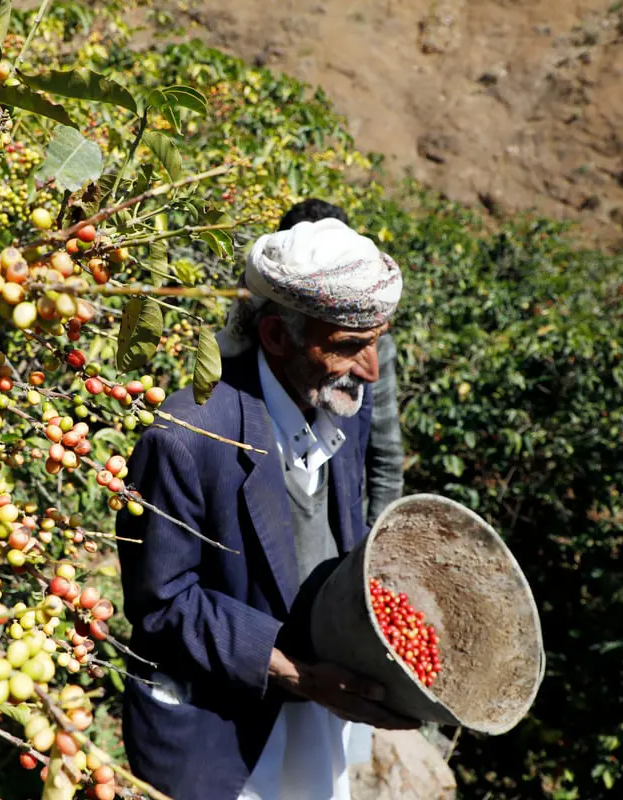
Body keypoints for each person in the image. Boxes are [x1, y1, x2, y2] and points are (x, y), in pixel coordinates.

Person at [116, 218, 418, 800]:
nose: (372, 370)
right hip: (221, 728)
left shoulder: (340, 404)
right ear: (278, 336)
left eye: (378, 340)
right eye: (351, 345)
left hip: (316, 703)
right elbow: (161, 605)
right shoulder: (187, 437)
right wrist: (295, 675)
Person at [278, 199, 404, 526]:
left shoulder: (377, 348)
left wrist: (372, 553)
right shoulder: (272, 345)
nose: (368, 370)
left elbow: (386, 460)